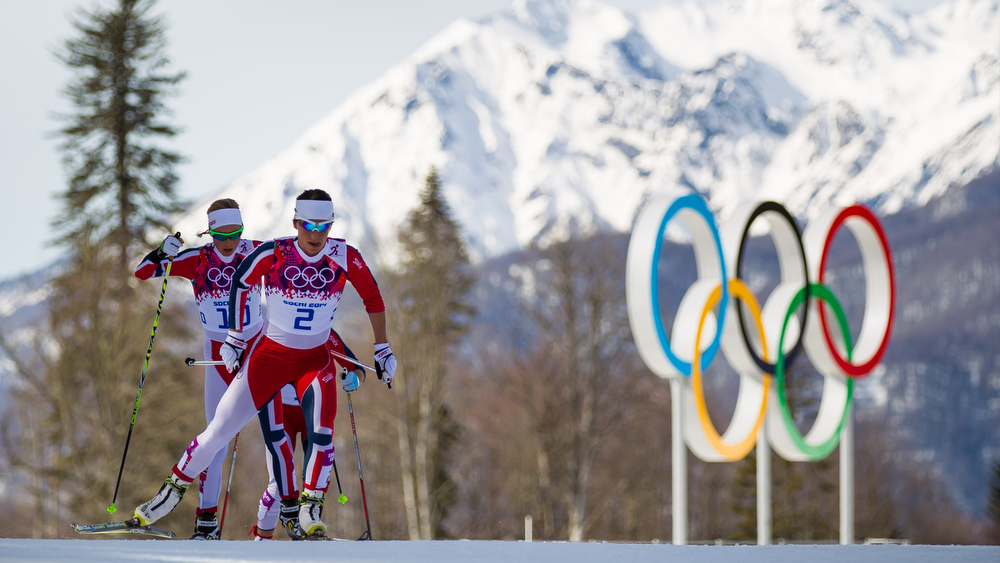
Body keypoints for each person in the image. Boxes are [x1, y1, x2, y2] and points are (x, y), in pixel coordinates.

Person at [133, 188, 396, 539]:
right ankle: (168, 497)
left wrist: (382, 349)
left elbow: (373, 297)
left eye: (324, 226)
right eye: (309, 226)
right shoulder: (268, 252)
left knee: (321, 435)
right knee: (218, 431)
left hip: (313, 362)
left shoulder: (343, 255)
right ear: (296, 223)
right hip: (266, 357)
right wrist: (235, 336)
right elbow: (235, 281)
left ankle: (307, 511)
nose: (316, 235)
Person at [134, 198, 264, 540]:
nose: (229, 241)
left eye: (235, 232)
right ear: (210, 232)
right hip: (218, 358)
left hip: (257, 352)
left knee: (278, 435)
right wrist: (163, 253)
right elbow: (142, 272)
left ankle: (293, 515)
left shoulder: (256, 253)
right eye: (221, 233)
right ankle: (206, 523)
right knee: (215, 441)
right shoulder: (197, 260)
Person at [250, 329, 365, 541]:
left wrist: (355, 379)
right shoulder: (272, 332)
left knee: (314, 478)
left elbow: (356, 367)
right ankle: (263, 538)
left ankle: (308, 529)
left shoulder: (322, 332)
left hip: (310, 416)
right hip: (282, 416)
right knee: (278, 482)